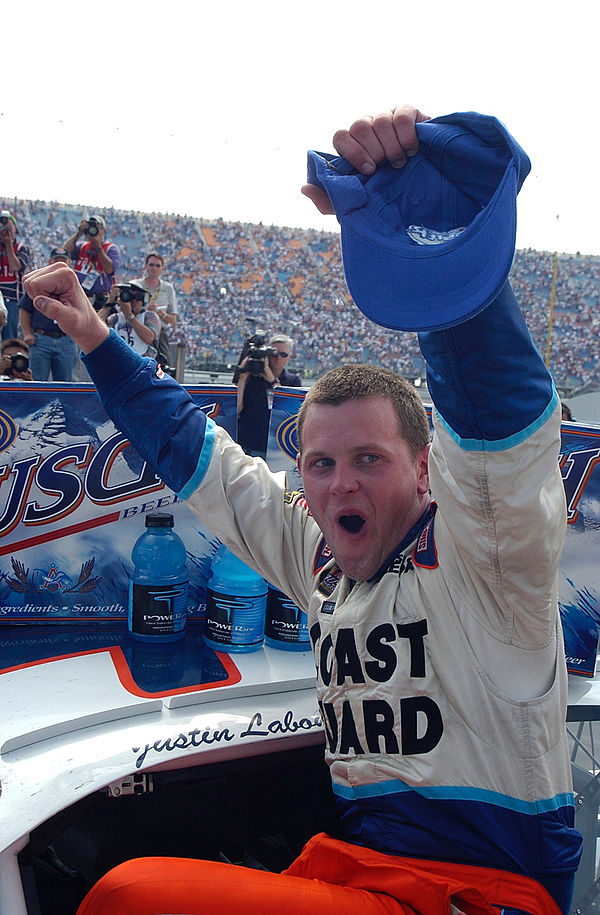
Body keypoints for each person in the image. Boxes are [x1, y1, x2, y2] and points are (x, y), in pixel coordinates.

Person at [24, 104, 580, 915]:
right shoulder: (321, 557)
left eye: (368, 460)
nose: (338, 486)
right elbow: (203, 459)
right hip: (357, 870)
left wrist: (436, 248)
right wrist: (98, 339)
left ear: (426, 470)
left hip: (478, 895)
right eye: (319, 464)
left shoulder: (488, 562)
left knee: (130, 894)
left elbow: (501, 419)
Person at [236, 332, 301, 459]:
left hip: (275, 448)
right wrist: (242, 378)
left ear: (289, 357)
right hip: (247, 444)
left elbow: (289, 411)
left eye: (283, 355)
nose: (278, 358)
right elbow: (237, 408)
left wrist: (272, 380)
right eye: (275, 353)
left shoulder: (293, 381)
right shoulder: (252, 376)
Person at [18, 247, 78, 381]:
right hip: (41, 338)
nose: (59, 265)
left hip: (66, 340)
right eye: (57, 261)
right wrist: (27, 333)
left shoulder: (76, 286)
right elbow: (24, 310)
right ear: (50, 262)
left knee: (65, 385)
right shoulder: (38, 283)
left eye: (63, 262)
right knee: (37, 383)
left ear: (69, 264)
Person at [131, 252, 178, 369]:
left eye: (157, 266)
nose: (154, 268)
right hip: (137, 330)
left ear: (162, 268)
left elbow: (173, 319)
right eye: (151, 265)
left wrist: (161, 314)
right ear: (146, 266)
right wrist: (145, 310)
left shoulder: (167, 288)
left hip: (159, 332)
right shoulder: (135, 285)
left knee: (165, 366)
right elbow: (125, 309)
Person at [63, 214, 120, 305]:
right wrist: (79, 233)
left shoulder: (111, 248)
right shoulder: (83, 246)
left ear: (103, 231)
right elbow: (64, 252)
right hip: (77, 295)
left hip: (98, 298)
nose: (93, 230)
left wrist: (98, 248)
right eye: (91, 227)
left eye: (97, 228)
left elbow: (110, 270)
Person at [104, 282, 161, 358]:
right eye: (130, 298)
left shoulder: (149, 316)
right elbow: (94, 327)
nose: (134, 301)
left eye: (138, 297)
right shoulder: (116, 318)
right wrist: (109, 303)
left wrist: (130, 316)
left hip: (143, 362)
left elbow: (149, 338)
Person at [0, 209, 31, 340]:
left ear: (15, 229)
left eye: (8, 224)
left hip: (12, 299)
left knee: (9, 338)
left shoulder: (21, 248)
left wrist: (8, 244)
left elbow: (16, 267)